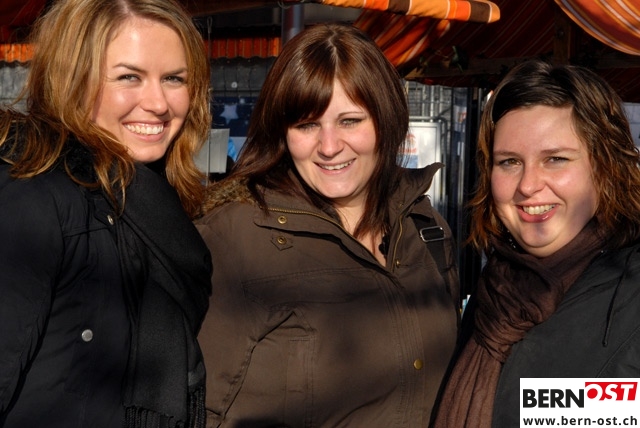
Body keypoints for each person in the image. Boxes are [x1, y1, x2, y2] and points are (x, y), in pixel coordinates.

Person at [196, 23, 460, 428]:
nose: (330, 146)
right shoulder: (232, 239)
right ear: (282, 132)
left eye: (350, 121)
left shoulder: (426, 227)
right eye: (307, 125)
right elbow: (193, 408)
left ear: (386, 120)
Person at [0, 0, 212, 427]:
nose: (158, 103)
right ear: (72, 79)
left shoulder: (153, 200)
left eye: (173, 78)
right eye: (129, 77)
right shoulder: (32, 194)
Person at [433, 59, 640, 428]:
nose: (528, 185)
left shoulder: (631, 294)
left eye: (555, 159)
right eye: (510, 162)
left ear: (605, 167)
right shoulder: (494, 295)